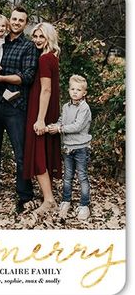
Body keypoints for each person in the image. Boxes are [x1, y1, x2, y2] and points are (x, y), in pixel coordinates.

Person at [0, 6, 39, 214]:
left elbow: (27, 77)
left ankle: (24, 194)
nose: (15, 23)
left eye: (20, 20)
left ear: (25, 23)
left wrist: (1, 78)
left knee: (20, 152)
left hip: (15, 107)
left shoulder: (29, 47)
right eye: (13, 19)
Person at [23, 22, 62, 216]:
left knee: (38, 154)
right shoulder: (51, 57)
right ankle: (49, 196)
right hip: (47, 109)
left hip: (41, 111)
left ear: (49, 37)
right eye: (35, 36)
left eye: (41, 36)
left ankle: (49, 200)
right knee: (44, 152)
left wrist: (40, 119)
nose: (37, 40)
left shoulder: (45, 59)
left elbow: (46, 89)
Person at [47, 74, 92, 220]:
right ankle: (66, 201)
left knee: (82, 176)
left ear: (84, 93)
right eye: (72, 89)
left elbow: (77, 126)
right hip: (67, 148)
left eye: (78, 90)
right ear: (69, 90)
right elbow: (62, 120)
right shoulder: (66, 106)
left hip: (80, 148)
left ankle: (84, 205)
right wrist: (55, 126)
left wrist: (60, 129)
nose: (75, 92)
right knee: (67, 177)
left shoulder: (84, 108)